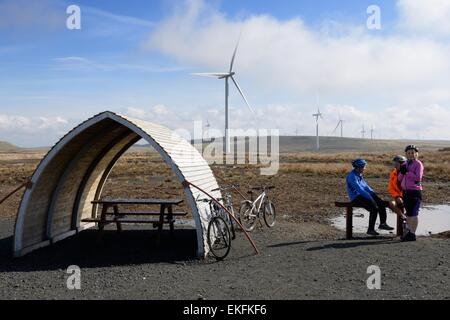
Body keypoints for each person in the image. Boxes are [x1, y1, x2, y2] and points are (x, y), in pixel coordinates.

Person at [346, 158, 394, 236]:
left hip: (363, 195)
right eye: (364, 167)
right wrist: (370, 197)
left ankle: (383, 224)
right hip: (356, 198)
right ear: (359, 167)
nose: (365, 168)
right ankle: (370, 230)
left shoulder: (359, 174)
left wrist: (373, 194)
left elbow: (366, 187)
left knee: (381, 203)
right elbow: (360, 190)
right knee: (374, 208)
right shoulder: (352, 176)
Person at [398, 145, 424, 241]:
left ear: (416, 154)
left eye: (413, 152)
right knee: (409, 213)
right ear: (406, 154)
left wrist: (407, 172)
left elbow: (418, 178)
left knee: (414, 213)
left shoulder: (418, 164)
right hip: (406, 192)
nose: (411, 154)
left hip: (415, 191)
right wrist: (401, 171)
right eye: (409, 153)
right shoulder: (405, 164)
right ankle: (409, 233)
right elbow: (400, 178)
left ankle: (412, 233)